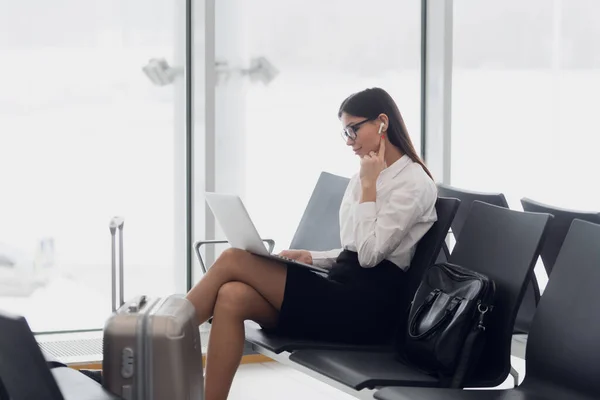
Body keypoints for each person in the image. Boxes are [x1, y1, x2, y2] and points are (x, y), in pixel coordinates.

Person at [186, 87, 438, 400]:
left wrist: (370, 186)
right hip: (341, 287)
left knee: (234, 259)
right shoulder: (363, 175)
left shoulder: (414, 183)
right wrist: (313, 257)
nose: (349, 141)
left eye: (353, 129)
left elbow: (372, 256)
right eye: (345, 132)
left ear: (382, 123)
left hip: (367, 308)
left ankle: (159, 338)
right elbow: (356, 247)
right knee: (232, 295)